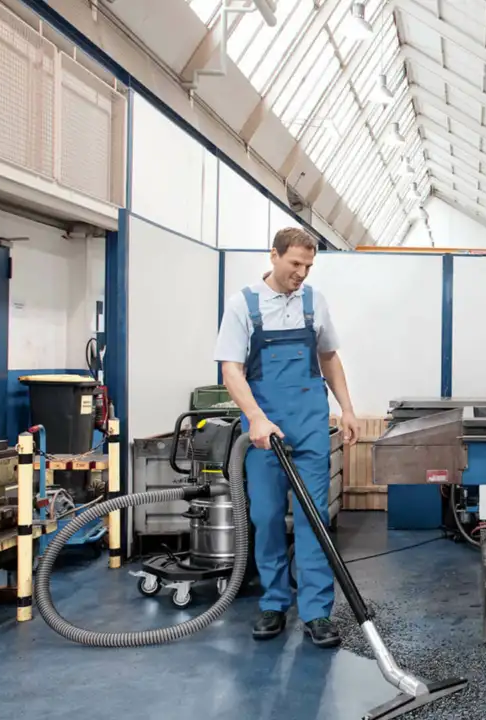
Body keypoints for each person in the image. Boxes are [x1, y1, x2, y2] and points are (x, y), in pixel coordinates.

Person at [214, 227, 359, 647]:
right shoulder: (243, 305)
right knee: (266, 516)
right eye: (295, 263)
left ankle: (317, 612)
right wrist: (256, 418)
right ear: (274, 256)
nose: (301, 273)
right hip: (263, 430)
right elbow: (230, 370)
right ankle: (274, 602)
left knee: (315, 519)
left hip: (310, 423)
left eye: (308, 266)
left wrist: (347, 409)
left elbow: (328, 357)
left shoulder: (314, 302)